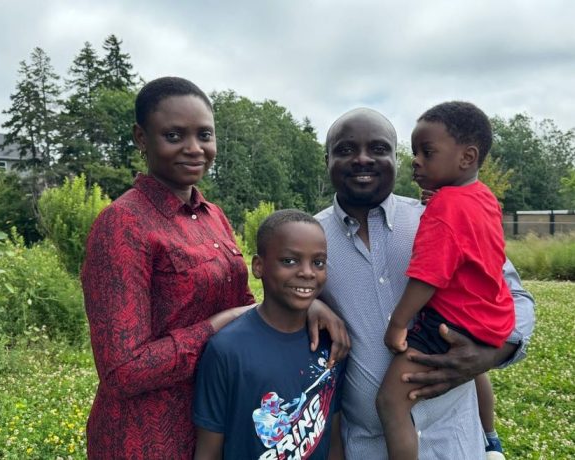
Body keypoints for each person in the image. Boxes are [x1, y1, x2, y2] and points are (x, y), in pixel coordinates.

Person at [81, 77, 349, 459]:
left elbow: (246, 305)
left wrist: (309, 306)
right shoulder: (123, 224)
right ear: (141, 138)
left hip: (220, 423)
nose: (194, 149)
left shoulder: (212, 218)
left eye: (204, 135)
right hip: (148, 437)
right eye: (174, 135)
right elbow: (124, 370)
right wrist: (217, 324)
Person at [315, 107, 535, 459]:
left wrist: (492, 353)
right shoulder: (309, 238)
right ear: (326, 160)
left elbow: (515, 294)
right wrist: (310, 303)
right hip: (368, 447)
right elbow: (278, 305)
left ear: (396, 159)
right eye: (344, 150)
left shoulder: (441, 216)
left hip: (457, 443)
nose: (361, 159)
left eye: (378, 148)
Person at [374, 101, 514, 460]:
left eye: (427, 152)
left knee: (390, 402)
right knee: (473, 370)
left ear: (467, 157)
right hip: (490, 319)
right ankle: (490, 438)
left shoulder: (445, 206)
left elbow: (427, 277)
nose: (415, 160)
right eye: (414, 152)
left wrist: (398, 324)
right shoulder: (483, 198)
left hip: (452, 320)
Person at [193, 210, 345, 460]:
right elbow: (208, 451)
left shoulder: (330, 343)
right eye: (290, 261)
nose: (307, 272)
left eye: (318, 262)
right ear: (259, 267)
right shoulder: (226, 350)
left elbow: (333, 440)